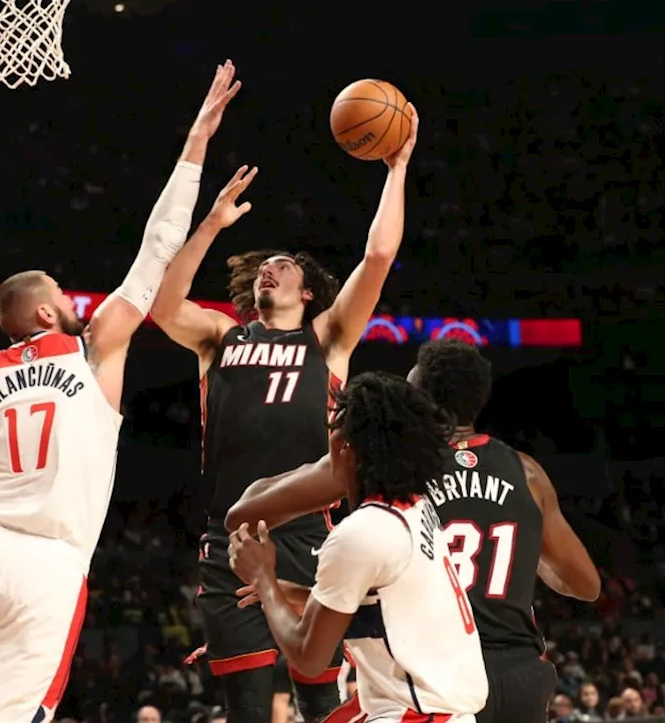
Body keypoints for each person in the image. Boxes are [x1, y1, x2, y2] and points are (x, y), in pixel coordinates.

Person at [0, 61, 243, 723]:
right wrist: (196, 141)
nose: (70, 295)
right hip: (47, 565)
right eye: (59, 290)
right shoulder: (94, 346)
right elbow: (157, 246)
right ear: (46, 315)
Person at [149, 69, 419, 723]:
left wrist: (396, 167)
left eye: (285, 266)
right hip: (230, 536)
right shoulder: (219, 335)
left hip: (311, 534)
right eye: (265, 266)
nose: (271, 267)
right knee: (245, 706)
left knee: (317, 695)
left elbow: (378, 256)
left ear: (307, 291)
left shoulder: (330, 337)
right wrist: (211, 223)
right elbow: (161, 305)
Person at [225, 339, 600, 723]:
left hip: (434, 671)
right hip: (518, 674)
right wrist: (520, 549)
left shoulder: (392, 468)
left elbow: (244, 514)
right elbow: (585, 586)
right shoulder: (527, 473)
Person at [228, 372, 487, 723]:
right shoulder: (414, 507)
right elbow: (385, 607)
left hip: (417, 715)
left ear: (343, 446)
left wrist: (265, 580)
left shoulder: (362, 533)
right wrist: (296, 594)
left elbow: (307, 656)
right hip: (443, 709)